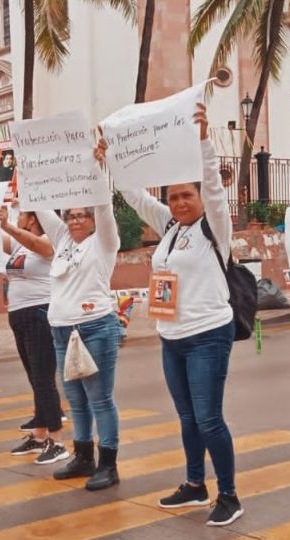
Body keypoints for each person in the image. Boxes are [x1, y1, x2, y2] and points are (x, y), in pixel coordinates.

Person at [104, 103, 244, 526]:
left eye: (187, 195)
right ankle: (195, 484)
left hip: (207, 334)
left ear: (201, 198)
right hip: (172, 336)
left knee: (208, 418)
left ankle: (230, 496)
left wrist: (203, 141)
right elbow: (132, 195)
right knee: (186, 418)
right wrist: (110, 159)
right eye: (174, 196)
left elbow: (216, 190)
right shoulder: (170, 227)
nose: (179, 202)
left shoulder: (213, 227)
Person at [34, 198, 121, 491]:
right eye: (70, 216)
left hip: (94, 328)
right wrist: (24, 169)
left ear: (94, 219)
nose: (76, 221)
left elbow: (105, 207)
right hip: (61, 331)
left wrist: (97, 172)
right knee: (76, 400)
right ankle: (83, 457)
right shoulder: (62, 240)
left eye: (83, 215)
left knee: (99, 398)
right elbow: (41, 207)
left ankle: (108, 464)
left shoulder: (104, 241)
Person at [0, 204, 68, 465]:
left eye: (23, 213)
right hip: (19, 314)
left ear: (34, 217)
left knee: (43, 378)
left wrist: (9, 227)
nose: (18, 217)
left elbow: (43, 248)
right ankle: (39, 434)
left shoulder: (51, 239)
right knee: (34, 377)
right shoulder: (18, 243)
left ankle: (58, 440)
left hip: (40, 312)